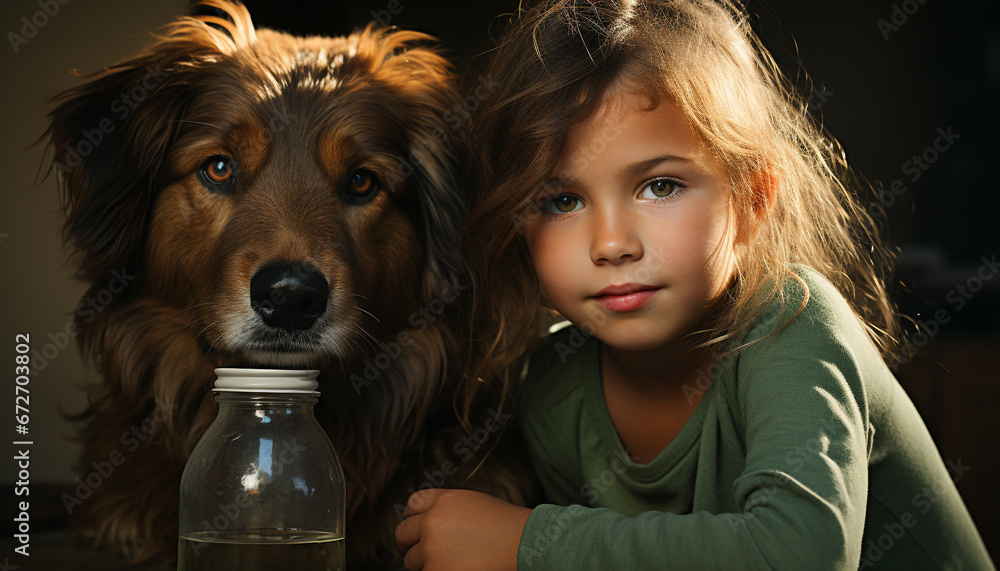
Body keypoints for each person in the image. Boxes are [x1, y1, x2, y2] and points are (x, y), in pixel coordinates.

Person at [394, 0, 995, 569]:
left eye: (660, 186)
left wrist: (528, 543)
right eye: (562, 200)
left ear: (752, 200)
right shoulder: (553, 389)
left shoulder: (795, 328)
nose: (612, 243)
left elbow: (801, 555)